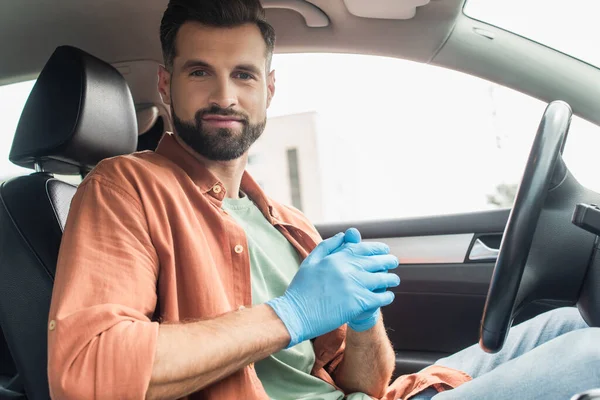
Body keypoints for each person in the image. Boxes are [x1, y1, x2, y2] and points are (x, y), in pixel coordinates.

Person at [47, 1, 600, 399]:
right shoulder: (123, 189)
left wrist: (363, 322)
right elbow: (88, 371)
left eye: (243, 75)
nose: (224, 95)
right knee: (591, 359)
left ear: (268, 89)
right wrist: (290, 314)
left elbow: (366, 383)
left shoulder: (288, 224)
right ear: (167, 87)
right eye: (200, 73)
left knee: (570, 326)